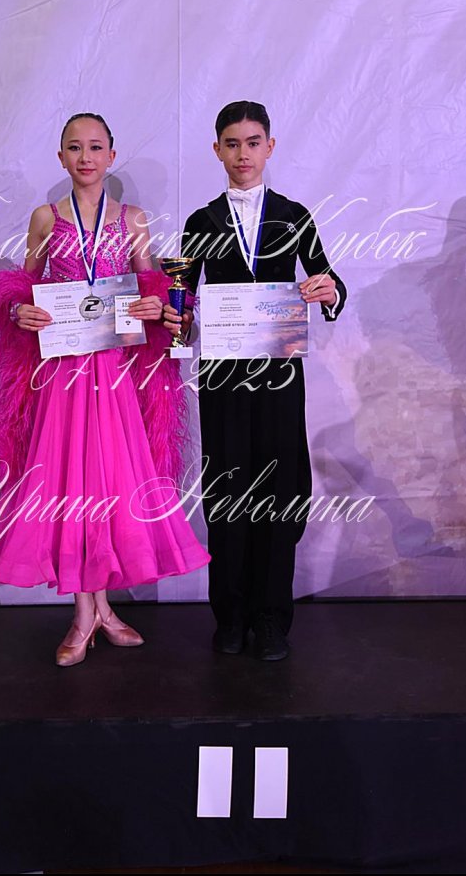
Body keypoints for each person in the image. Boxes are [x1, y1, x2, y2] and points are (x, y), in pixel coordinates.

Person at [0, 112, 210, 666]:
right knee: (66, 481)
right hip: (63, 374)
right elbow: (23, 285)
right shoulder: (45, 218)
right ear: (61, 157)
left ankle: (102, 609)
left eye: (95, 147)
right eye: (75, 148)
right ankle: (85, 612)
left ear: (111, 155)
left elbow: (152, 285)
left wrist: (157, 303)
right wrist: (19, 309)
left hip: (116, 373)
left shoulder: (132, 219)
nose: (85, 157)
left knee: (112, 482)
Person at [164, 101, 347, 661]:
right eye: (232, 143)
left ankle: (271, 618)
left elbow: (328, 278)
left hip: (279, 377)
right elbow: (183, 300)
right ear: (216, 150)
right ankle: (230, 615)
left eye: (252, 142)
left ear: (269, 146)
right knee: (226, 490)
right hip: (221, 378)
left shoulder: (294, 216)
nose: (242, 154)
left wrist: (329, 291)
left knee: (279, 491)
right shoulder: (201, 222)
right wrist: (178, 320)